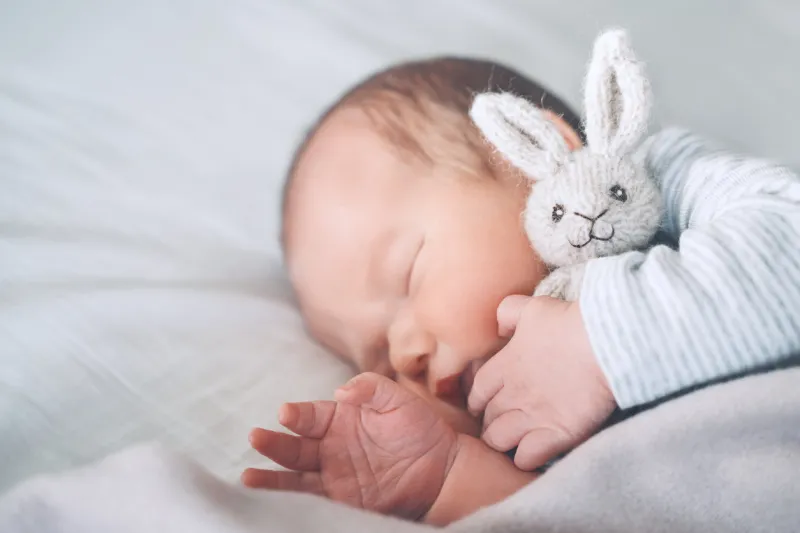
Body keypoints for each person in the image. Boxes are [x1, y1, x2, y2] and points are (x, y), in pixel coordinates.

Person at [241, 56, 800, 526]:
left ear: (528, 157)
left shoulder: (659, 186)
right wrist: (452, 482)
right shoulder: (525, 441)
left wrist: (598, 344)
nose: (406, 353)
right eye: (380, 360)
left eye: (409, 275)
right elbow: (584, 516)